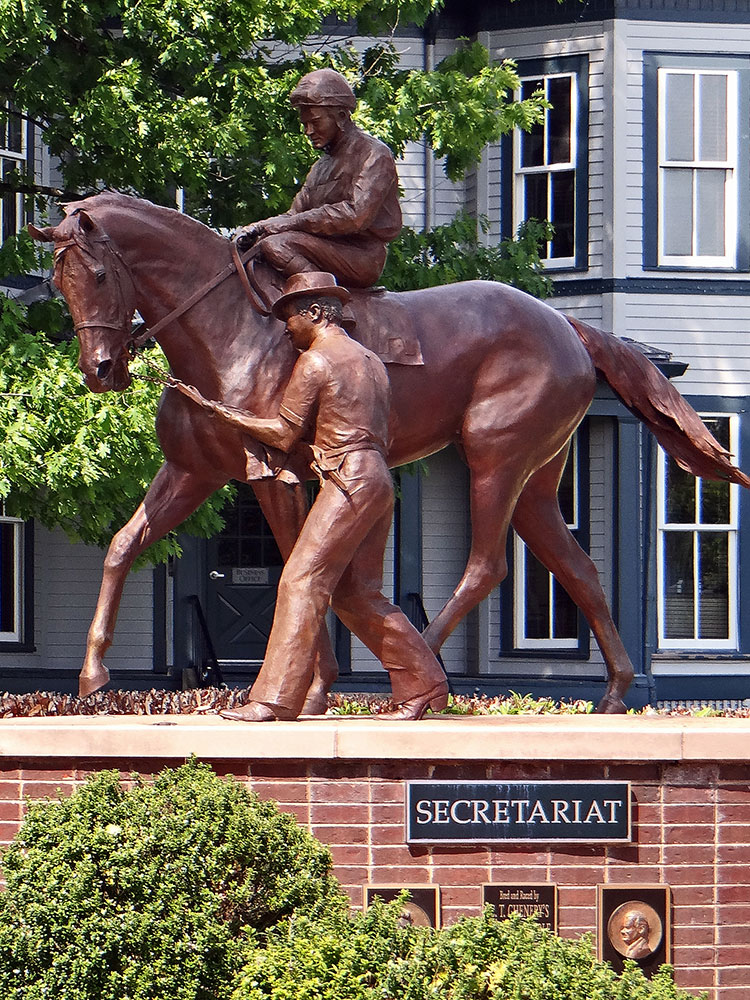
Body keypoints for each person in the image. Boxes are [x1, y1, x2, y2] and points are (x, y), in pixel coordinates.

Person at [178, 271, 448, 722]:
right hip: (377, 477)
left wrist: (220, 412)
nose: (286, 329)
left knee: (300, 579)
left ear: (317, 313)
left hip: (347, 480)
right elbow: (371, 429)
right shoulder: (371, 362)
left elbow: (283, 433)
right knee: (358, 593)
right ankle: (424, 684)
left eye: (290, 317)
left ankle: (273, 699)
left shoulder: (316, 362)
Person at [235, 68, 402, 289]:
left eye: (315, 122)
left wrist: (286, 225)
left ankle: (325, 296)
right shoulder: (320, 167)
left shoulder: (374, 154)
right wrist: (258, 227)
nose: (308, 131)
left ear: (341, 116)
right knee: (259, 245)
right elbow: (294, 214)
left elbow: (356, 216)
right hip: (322, 247)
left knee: (276, 246)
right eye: (305, 124)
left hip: (362, 255)